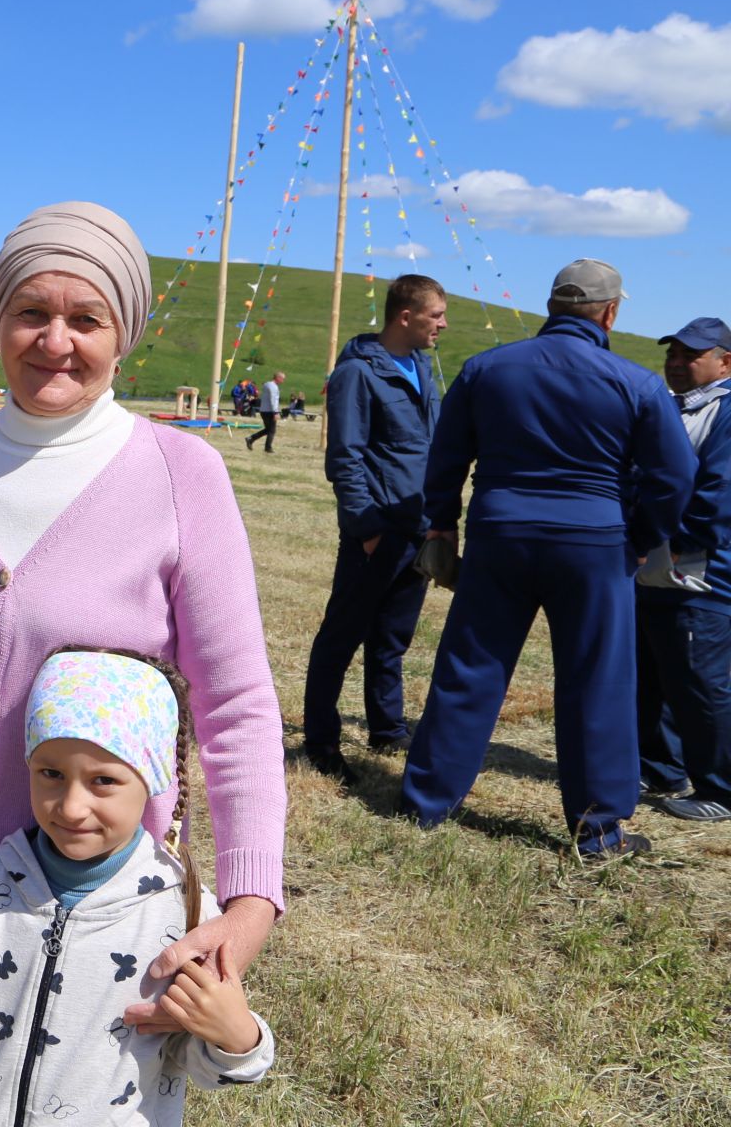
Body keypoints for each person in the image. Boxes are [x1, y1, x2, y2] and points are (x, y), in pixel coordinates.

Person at [0, 202, 287, 1043]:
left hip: (108, 913)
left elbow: (236, 705)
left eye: (86, 318)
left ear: (124, 335)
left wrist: (250, 894)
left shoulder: (180, 474)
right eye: (31, 313)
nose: (55, 341)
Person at [0, 650, 274, 1125]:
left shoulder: (183, 912)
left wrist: (238, 1038)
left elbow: (192, 1056)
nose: (72, 807)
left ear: (152, 778)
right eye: (51, 774)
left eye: (103, 780)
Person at [401, 259, 694, 856]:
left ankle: (427, 803)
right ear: (611, 313)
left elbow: (447, 456)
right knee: (597, 681)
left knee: (470, 667)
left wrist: (441, 525)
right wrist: (640, 538)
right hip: (593, 541)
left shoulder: (486, 369)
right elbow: (675, 474)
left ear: (552, 307)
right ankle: (598, 829)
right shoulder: (634, 382)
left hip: (500, 531)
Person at [300, 275, 448, 780]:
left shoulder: (423, 368)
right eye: (436, 315)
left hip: (417, 528)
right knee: (341, 637)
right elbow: (345, 457)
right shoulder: (358, 375)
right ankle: (320, 742)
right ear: (405, 316)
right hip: (378, 529)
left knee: (393, 639)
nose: (443, 325)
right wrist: (366, 526)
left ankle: (388, 728)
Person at [634, 316, 731, 822]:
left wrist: (667, 541)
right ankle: (660, 766)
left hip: (702, 569)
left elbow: (717, 497)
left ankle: (720, 787)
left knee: (700, 678)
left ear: (724, 361)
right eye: (672, 353)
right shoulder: (670, 409)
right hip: (655, 564)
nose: (675, 363)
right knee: (652, 668)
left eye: (690, 355)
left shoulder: (727, 411)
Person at [244, 371, 286, 452]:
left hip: (264, 410)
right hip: (269, 411)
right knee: (272, 431)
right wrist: (275, 412)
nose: (283, 381)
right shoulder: (273, 387)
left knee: (268, 429)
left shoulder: (267, 384)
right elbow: (273, 400)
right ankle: (268, 448)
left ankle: (251, 439)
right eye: (282, 379)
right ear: (278, 378)